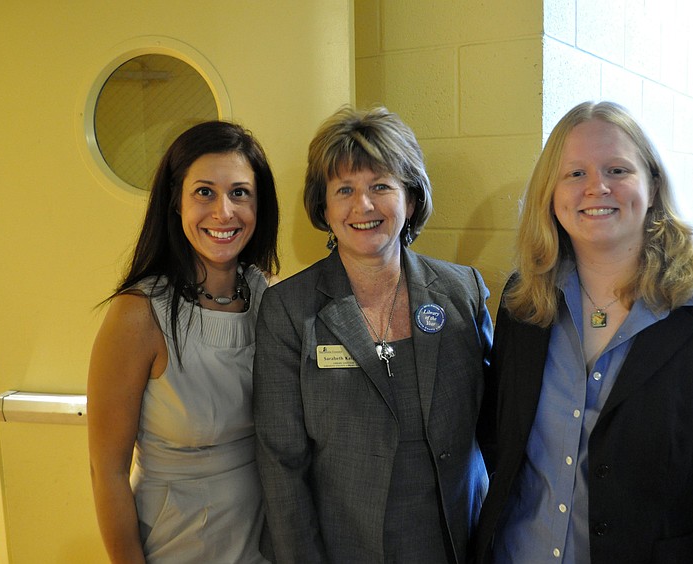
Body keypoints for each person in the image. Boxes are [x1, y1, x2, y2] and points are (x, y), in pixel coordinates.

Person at [472, 101, 693, 563]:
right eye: (575, 173)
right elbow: (501, 442)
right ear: (551, 195)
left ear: (653, 187)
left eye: (617, 170)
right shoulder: (525, 303)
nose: (596, 187)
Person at [253, 106, 493, 563]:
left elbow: (498, 430)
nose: (363, 206)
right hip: (343, 548)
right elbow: (281, 463)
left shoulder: (462, 292)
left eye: (381, 186)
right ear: (324, 207)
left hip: (455, 543)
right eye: (344, 189)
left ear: (411, 199)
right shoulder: (289, 309)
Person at [87, 120, 279, 563]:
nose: (224, 212)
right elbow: (107, 472)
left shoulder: (270, 296)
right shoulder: (138, 314)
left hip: (264, 542)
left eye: (240, 193)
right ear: (176, 202)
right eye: (204, 192)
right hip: (178, 544)